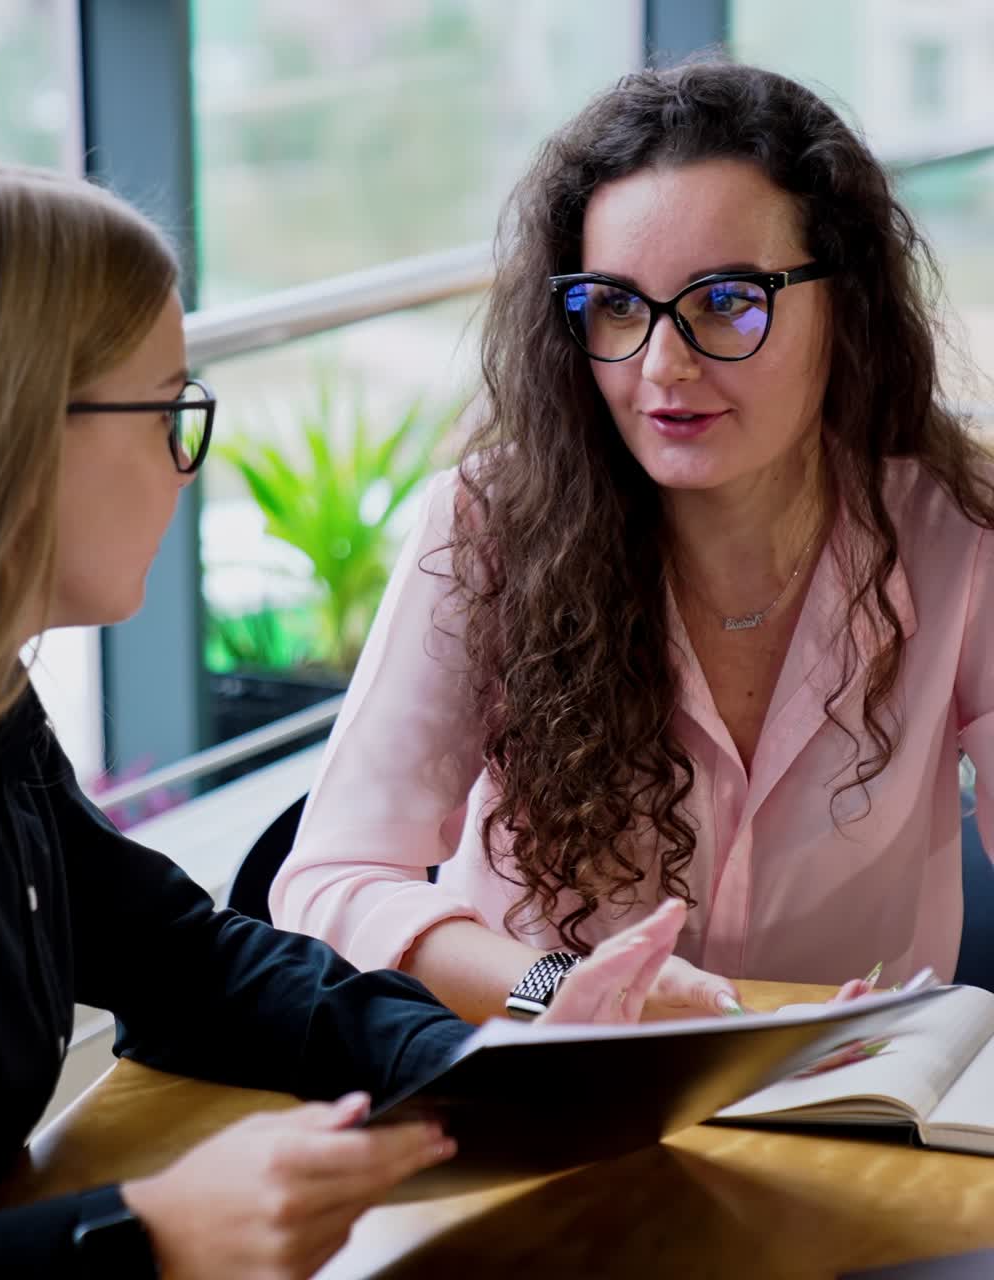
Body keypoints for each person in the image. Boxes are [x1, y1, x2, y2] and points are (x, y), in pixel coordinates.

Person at [0, 161, 699, 1280]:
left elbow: (185, 965)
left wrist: (485, 1064)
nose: (187, 468)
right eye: (172, 409)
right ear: (11, 433)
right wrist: (148, 1234)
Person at [271, 59, 994, 1026]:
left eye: (727, 301)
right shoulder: (486, 527)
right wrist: (553, 988)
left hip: (845, 1114)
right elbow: (333, 880)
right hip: (553, 1090)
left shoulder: (960, 523)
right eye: (616, 305)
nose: (662, 365)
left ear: (847, 301)